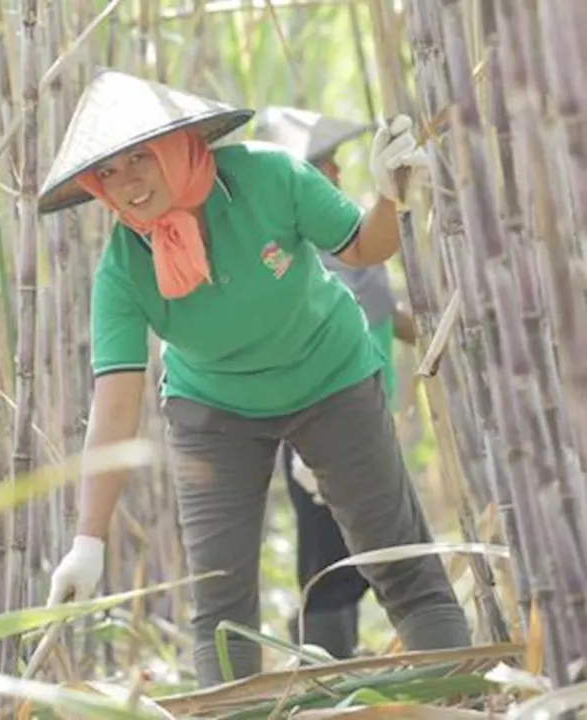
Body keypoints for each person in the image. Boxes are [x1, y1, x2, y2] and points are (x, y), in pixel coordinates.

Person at [38, 70, 470, 687]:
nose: (128, 181)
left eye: (141, 157)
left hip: (331, 378)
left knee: (397, 561)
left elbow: (364, 249)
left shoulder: (272, 177)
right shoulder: (123, 270)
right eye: (108, 171)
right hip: (214, 412)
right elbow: (114, 407)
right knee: (219, 605)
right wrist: (88, 540)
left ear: (180, 144)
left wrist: (389, 198)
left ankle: (453, 693)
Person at [251, 105, 420, 660]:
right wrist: (304, 448)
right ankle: (326, 677)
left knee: (373, 549)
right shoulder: (287, 254)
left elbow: (377, 313)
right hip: (319, 429)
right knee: (330, 559)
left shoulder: (348, 241)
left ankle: (337, 668)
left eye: (336, 163)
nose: (339, 175)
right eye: (324, 164)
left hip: (365, 417)